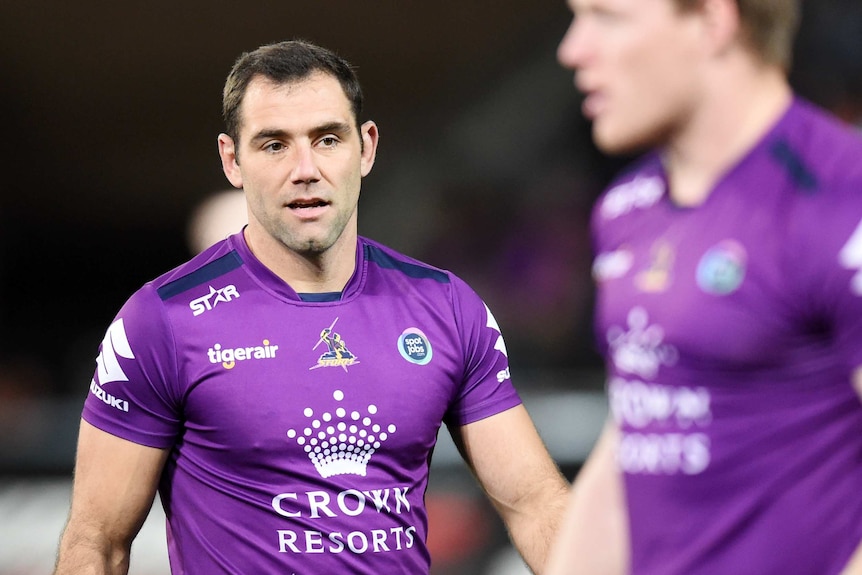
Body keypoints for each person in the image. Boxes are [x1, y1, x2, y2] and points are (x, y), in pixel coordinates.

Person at [53, 40, 570, 574]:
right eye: (274, 145)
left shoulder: (447, 307)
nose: (305, 169)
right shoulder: (161, 320)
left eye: (327, 139)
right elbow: (98, 542)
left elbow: (536, 505)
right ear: (233, 160)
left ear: (366, 149)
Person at [545, 0, 862, 574]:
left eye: (606, 17)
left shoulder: (839, 200)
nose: (573, 49)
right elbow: (639, 433)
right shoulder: (625, 208)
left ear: (714, 22)